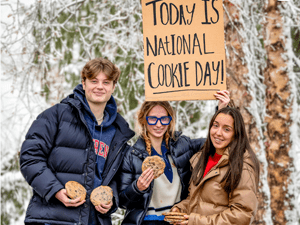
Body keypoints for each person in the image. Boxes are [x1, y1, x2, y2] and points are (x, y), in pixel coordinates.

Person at [19, 57, 135, 225]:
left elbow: (116, 178)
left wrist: (112, 201)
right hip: (54, 219)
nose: (100, 87)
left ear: (113, 86)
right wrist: (55, 190)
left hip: (96, 221)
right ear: (84, 82)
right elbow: (30, 158)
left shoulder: (119, 131)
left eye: (106, 82)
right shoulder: (57, 115)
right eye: (94, 81)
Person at [117, 91, 230, 225]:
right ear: (143, 120)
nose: (159, 124)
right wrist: (137, 188)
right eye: (152, 119)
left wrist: (221, 111)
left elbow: (214, 143)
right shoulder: (131, 155)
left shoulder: (182, 145)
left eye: (164, 119)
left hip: (178, 220)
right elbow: (122, 202)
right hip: (147, 222)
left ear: (170, 120)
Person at [171, 107, 260, 225]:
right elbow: (198, 200)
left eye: (226, 129)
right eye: (215, 125)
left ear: (236, 134)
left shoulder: (242, 166)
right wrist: (181, 208)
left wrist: (195, 221)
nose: (218, 132)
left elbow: (242, 215)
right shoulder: (202, 158)